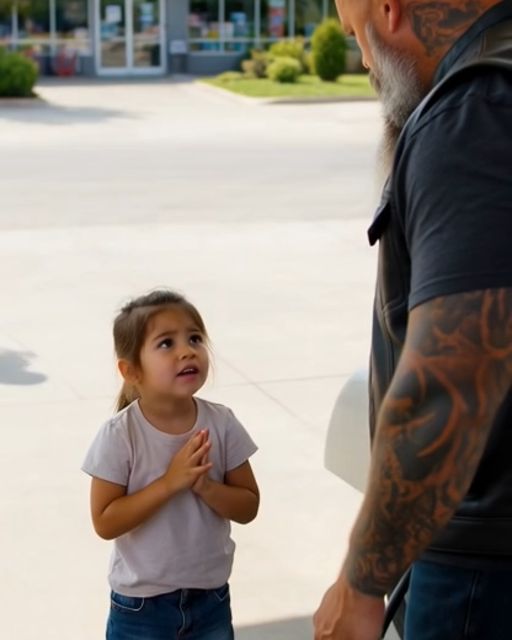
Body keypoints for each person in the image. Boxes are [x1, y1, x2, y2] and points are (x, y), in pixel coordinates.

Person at [313, 1, 512, 639]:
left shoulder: (472, 112)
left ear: (389, 9)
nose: (364, 62)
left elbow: (451, 381)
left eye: (357, 36)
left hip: (481, 571)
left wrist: (361, 583)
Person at [82, 289, 259, 640]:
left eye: (195, 338)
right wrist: (169, 483)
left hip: (210, 600)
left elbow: (248, 505)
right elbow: (105, 521)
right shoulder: (121, 435)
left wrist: (207, 487)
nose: (187, 351)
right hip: (141, 609)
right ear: (131, 370)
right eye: (166, 343)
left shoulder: (222, 424)